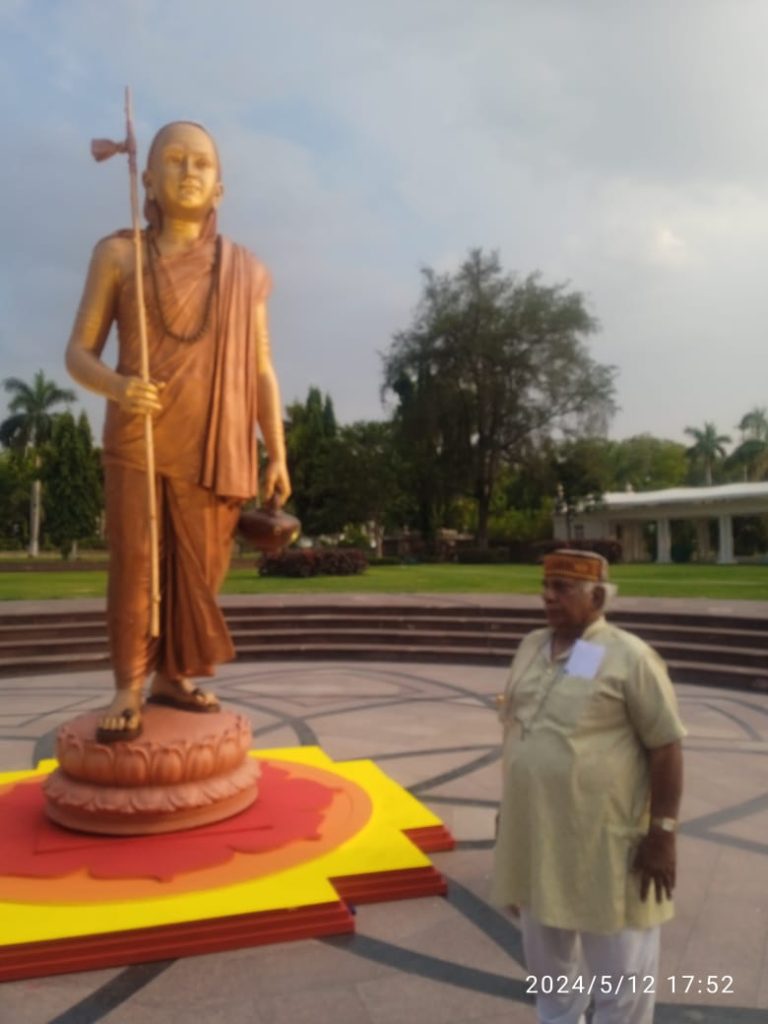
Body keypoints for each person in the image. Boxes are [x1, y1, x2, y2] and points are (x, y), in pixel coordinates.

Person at [65, 121, 291, 743]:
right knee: (136, 563)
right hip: (139, 434)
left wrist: (276, 450)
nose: (189, 172)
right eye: (174, 160)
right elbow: (78, 353)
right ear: (147, 179)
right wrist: (118, 387)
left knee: (202, 570)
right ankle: (127, 685)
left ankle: (174, 676)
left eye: (201, 163)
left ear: (220, 187)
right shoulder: (118, 255)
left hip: (215, 444)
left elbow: (261, 368)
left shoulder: (246, 270)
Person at [492, 549, 685, 1024]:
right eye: (545, 586)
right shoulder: (533, 646)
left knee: (622, 978)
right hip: (536, 837)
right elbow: (521, 732)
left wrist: (662, 833)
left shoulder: (630, 657)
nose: (548, 597)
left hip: (604, 844)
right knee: (549, 971)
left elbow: (666, 746)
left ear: (597, 598)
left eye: (562, 589)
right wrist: (507, 815)